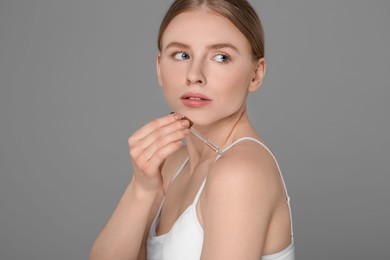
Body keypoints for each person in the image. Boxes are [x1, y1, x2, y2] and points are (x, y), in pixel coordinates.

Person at [90, 0, 294, 259]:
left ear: (256, 74)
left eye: (221, 57)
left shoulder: (239, 173)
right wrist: (141, 189)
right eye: (181, 55)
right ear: (159, 67)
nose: (194, 75)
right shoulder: (173, 163)